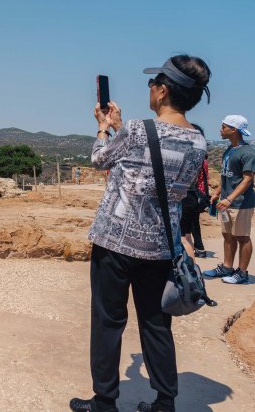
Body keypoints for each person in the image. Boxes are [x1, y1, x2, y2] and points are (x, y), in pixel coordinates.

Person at [70, 55, 210, 412]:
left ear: (162, 91)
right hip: (161, 248)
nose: (150, 88)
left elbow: (100, 160)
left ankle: (105, 403)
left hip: (115, 242)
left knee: (108, 322)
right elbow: (155, 164)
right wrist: (122, 129)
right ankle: (165, 403)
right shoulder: (199, 141)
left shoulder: (136, 130)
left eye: (153, 83)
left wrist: (104, 127)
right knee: (156, 325)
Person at [203, 115, 255, 285]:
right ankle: (227, 268)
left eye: (224, 126)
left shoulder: (248, 152)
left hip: (240, 203)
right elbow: (227, 176)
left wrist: (230, 198)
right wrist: (217, 192)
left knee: (242, 237)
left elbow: (247, 179)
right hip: (226, 203)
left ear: (234, 130)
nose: (220, 129)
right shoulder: (229, 149)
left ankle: (242, 272)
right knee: (227, 235)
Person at [179, 125, 208, 259]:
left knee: (182, 237)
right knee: (187, 235)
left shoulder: (186, 156)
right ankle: (191, 271)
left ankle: (188, 272)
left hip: (183, 196)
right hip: (192, 195)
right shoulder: (200, 155)